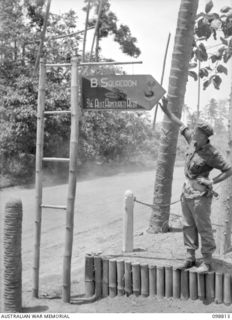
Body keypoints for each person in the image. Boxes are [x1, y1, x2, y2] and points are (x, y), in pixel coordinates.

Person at [159, 97, 232, 272]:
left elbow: (229, 170)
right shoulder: (192, 140)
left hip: (201, 196)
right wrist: (168, 112)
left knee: (204, 228)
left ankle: (207, 262)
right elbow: (181, 124)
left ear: (205, 136)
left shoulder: (212, 153)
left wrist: (212, 180)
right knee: (187, 225)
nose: (194, 134)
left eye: (198, 133)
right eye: (195, 132)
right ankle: (190, 258)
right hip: (187, 193)